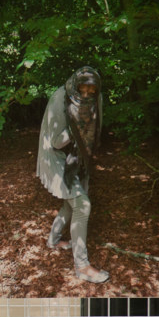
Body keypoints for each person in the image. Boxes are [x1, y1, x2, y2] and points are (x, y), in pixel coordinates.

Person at [36, 66, 109, 284]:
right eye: (82, 90)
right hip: (54, 156)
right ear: (75, 84)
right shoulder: (60, 98)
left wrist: (86, 148)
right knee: (82, 204)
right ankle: (82, 266)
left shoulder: (97, 97)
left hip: (78, 155)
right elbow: (57, 141)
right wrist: (77, 124)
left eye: (91, 92)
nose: (86, 95)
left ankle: (53, 240)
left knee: (73, 202)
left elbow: (97, 127)